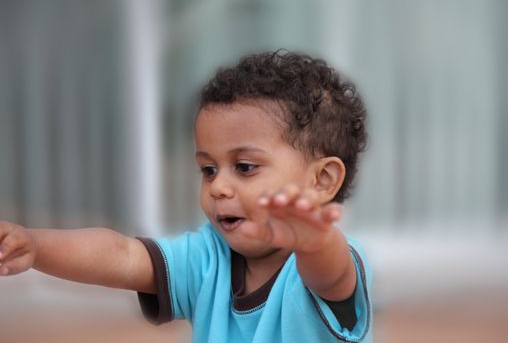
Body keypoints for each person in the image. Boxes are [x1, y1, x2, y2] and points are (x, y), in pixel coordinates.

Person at [0, 50, 372, 342]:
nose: (218, 187)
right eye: (208, 169)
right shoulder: (208, 258)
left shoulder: (327, 263)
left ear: (322, 180)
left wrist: (313, 240)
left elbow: (329, 274)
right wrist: (36, 245)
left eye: (244, 167)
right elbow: (122, 255)